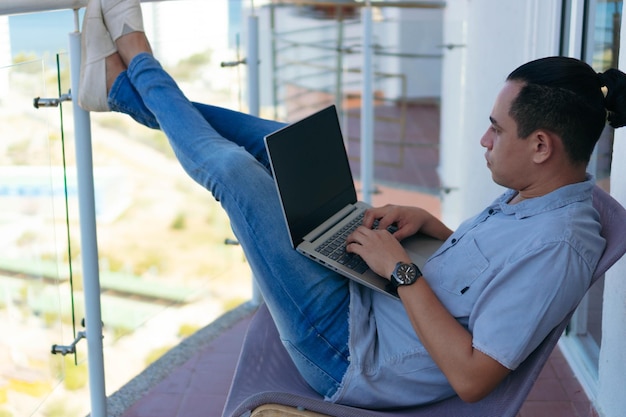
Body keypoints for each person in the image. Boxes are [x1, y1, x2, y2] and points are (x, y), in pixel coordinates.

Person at [78, 0, 625, 409]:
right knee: (280, 144)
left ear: (540, 146)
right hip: (374, 298)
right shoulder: (540, 194)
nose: (484, 141)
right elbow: (486, 283)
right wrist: (431, 227)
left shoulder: (560, 246)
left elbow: (473, 377)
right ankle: (124, 89)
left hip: (346, 350)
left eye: (495, 128)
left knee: (237, 176)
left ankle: (137, 63)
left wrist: (403, 271)